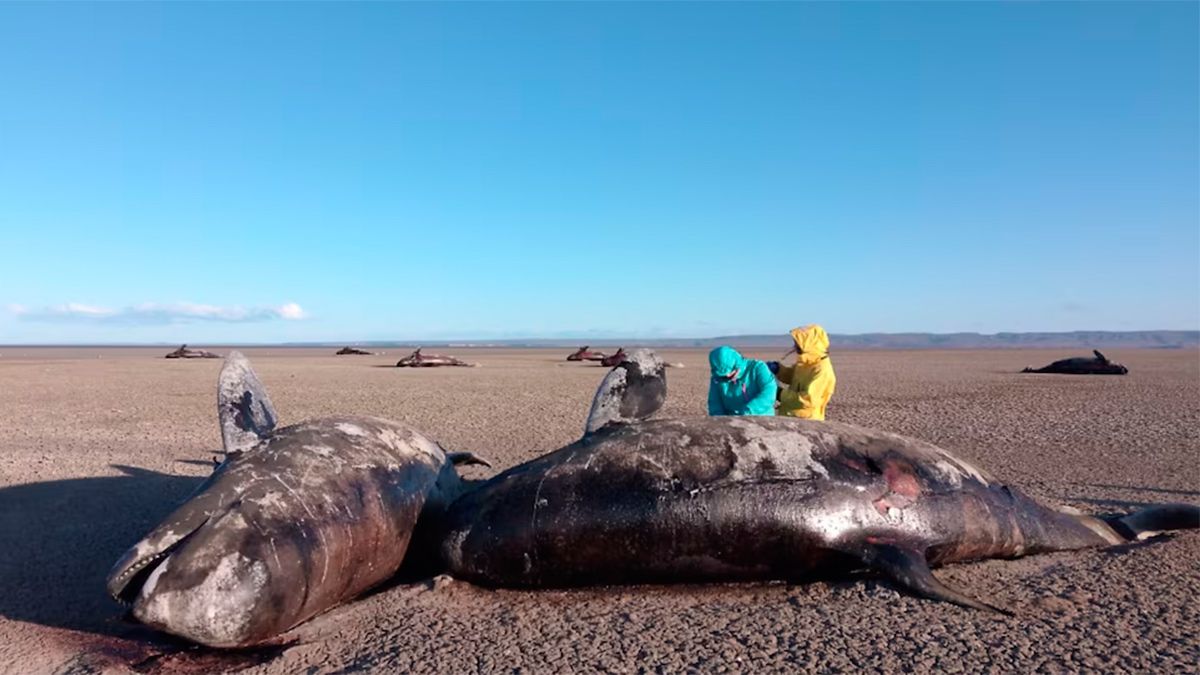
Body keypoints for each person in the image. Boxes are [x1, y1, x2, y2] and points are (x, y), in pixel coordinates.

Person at [769, 324, 836, 420]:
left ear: (810, 344)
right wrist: (778, 369)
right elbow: (794, 377)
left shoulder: (822, 371)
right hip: (790, 416)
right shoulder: (807, 363)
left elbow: (807, 400)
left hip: (806, 421)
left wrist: (779, 393)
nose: (795, 346)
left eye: (798, 343)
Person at [707, 346, 777, 416]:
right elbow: (715, 404)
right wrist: (720, 419)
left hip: (762, 418)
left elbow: (769, 394)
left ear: (737, 365)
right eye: (724, 377)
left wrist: (748, 411)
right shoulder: (717, 379)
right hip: (731, 420)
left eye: (731, 374)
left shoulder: (758, 368)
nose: (728, 376)